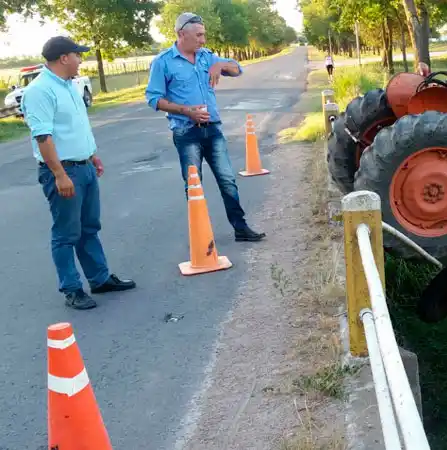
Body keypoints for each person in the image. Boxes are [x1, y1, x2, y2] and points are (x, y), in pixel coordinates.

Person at [22, 36, 136, 310]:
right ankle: (72, 288)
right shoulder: (39, 91)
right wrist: (60, 175)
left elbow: (76, 126)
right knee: (65, 233)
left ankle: (99, 278)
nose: (80, 59)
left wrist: (92, 153)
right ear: (63, 58)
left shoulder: (71, 86)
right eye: (77, 54)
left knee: (89, 228)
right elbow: (43, 137)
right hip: (64, 171)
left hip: (83, 166)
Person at [144, 12, 266, 242]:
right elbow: (153, 99)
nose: (203, 40)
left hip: (213, 129)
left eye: (204, 35)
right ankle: (201, 237)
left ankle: (241, 228)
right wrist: (186, 111)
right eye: (198, 35)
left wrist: (220, 64)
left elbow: (238, 69)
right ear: (182, 34)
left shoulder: (206, 56)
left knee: (227, 179)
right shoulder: (163, 62)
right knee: (194, 185)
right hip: (186, 132)